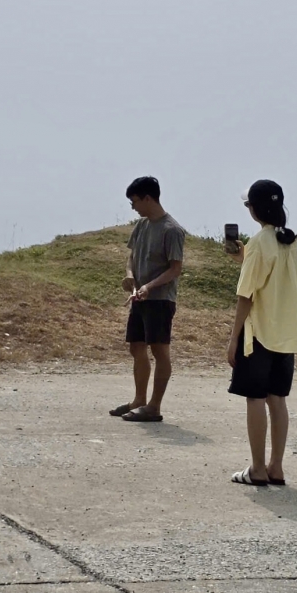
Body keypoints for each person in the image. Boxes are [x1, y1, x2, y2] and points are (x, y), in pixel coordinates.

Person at [225, 179, 297, 486]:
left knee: (255, 398)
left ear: (255, 209)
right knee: (278, 400)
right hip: (286, 335)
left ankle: (257, 468)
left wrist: (233, 339)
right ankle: (276, 467)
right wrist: (244, 259)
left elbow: (247, 295)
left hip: (258, 335)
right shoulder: (294, 242)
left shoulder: (260, 242)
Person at [110, 176, 185, 423]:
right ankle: (138, 400)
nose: (132, 206)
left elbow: (175, 268)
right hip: (139, 299)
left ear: (148, 198)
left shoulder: (171, 230)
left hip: (161, 300)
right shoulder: (141, 226)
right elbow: (131, 257)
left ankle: (154, 406)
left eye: (134, 201)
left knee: (160, 351)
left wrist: (150, 287)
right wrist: (130, 277)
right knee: (136, 347)